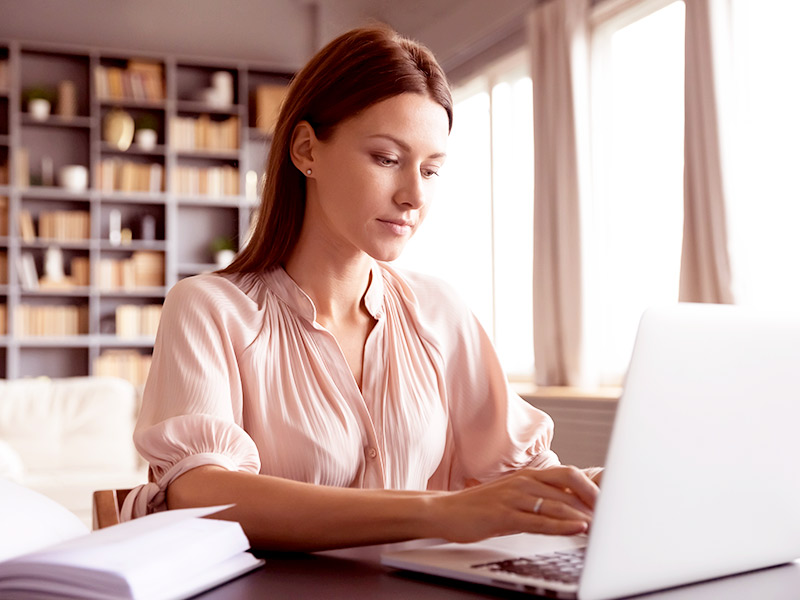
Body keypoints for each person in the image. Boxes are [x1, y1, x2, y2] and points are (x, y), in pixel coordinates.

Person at [122, 24, 601, 551]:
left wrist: (591, 491)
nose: (413, 195)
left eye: (432, 169)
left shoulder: (439, 310)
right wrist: (439, 512)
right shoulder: (209, 309)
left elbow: (524, 470)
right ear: (306, 150)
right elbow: (199, 493)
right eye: (387, 159)